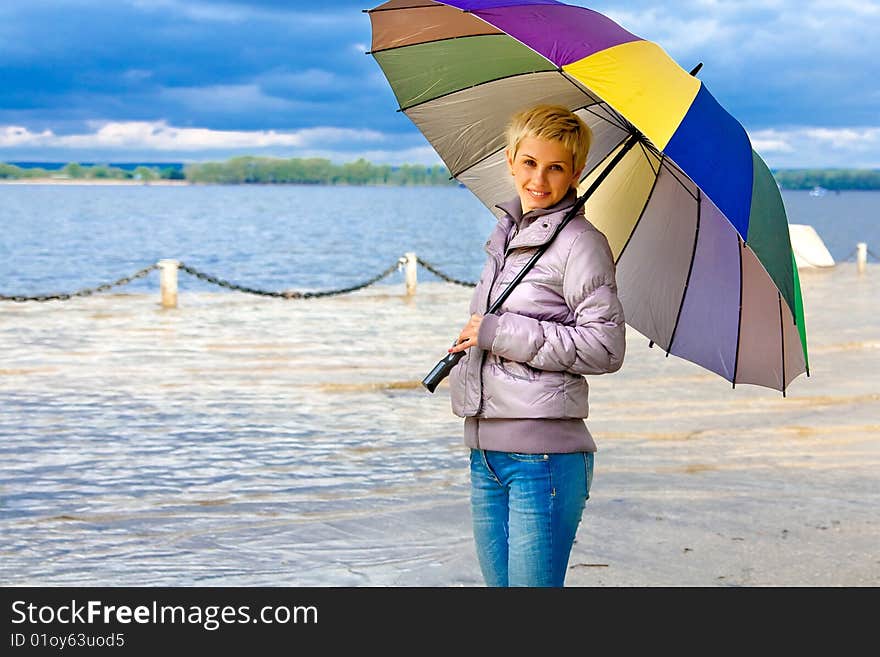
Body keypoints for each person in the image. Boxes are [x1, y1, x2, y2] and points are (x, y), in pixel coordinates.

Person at [447, 104, 626, 587]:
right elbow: (509, 328)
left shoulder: (581, 243)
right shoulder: (505, 236)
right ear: (509, 160)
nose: (540, 180)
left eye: (555, 168)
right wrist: (474, 345)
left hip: (543, 459)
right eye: (529, 163)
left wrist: (497, 332)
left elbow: (604, 346)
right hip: (485, 451)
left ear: (576, 173)